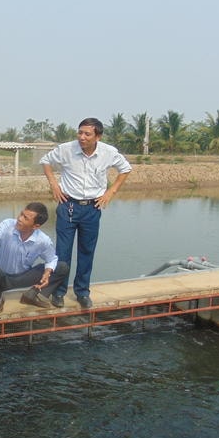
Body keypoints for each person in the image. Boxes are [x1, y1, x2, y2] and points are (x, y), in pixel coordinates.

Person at [41, 117, 132, 309]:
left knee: (86, 251)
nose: (82, 137)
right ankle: (58, 292)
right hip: (68, 206)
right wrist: (54, 185)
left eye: (87, 134)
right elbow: (46, 161)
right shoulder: (66, 149)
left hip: (93, 208)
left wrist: (110, 192)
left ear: (97, 136)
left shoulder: (108, 152)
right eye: (80, 132)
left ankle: (82, 292)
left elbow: (125, 169)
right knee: (62, 252)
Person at [0, 202, 69, 312]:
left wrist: (47, 273)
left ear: (35, 226)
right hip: (3, 278)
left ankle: (32, 295)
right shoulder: (7, 225)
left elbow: (51, 259)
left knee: (62, 267)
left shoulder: (42, 240)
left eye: (25, 218)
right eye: (21, 214)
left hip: (25, 277)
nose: (20, 219)